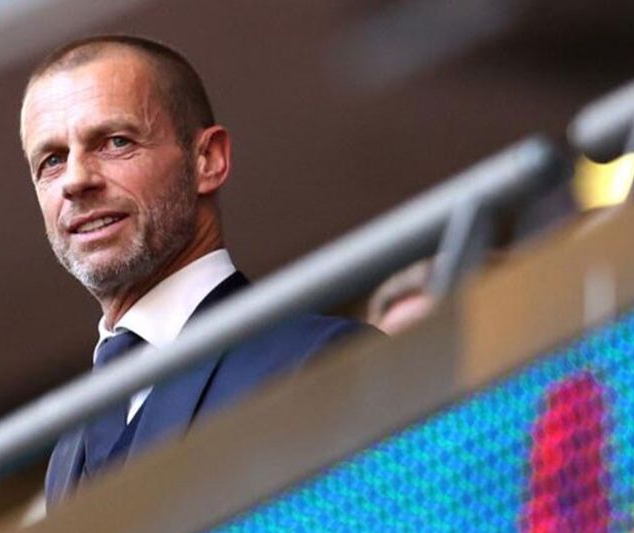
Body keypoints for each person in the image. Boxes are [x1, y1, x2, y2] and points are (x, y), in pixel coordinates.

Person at [20, 35, 373, 508]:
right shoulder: (68, 453)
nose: (76, 180)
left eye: (116, 142)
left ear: (208, 159)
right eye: (52, 161)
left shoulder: (320, 361)